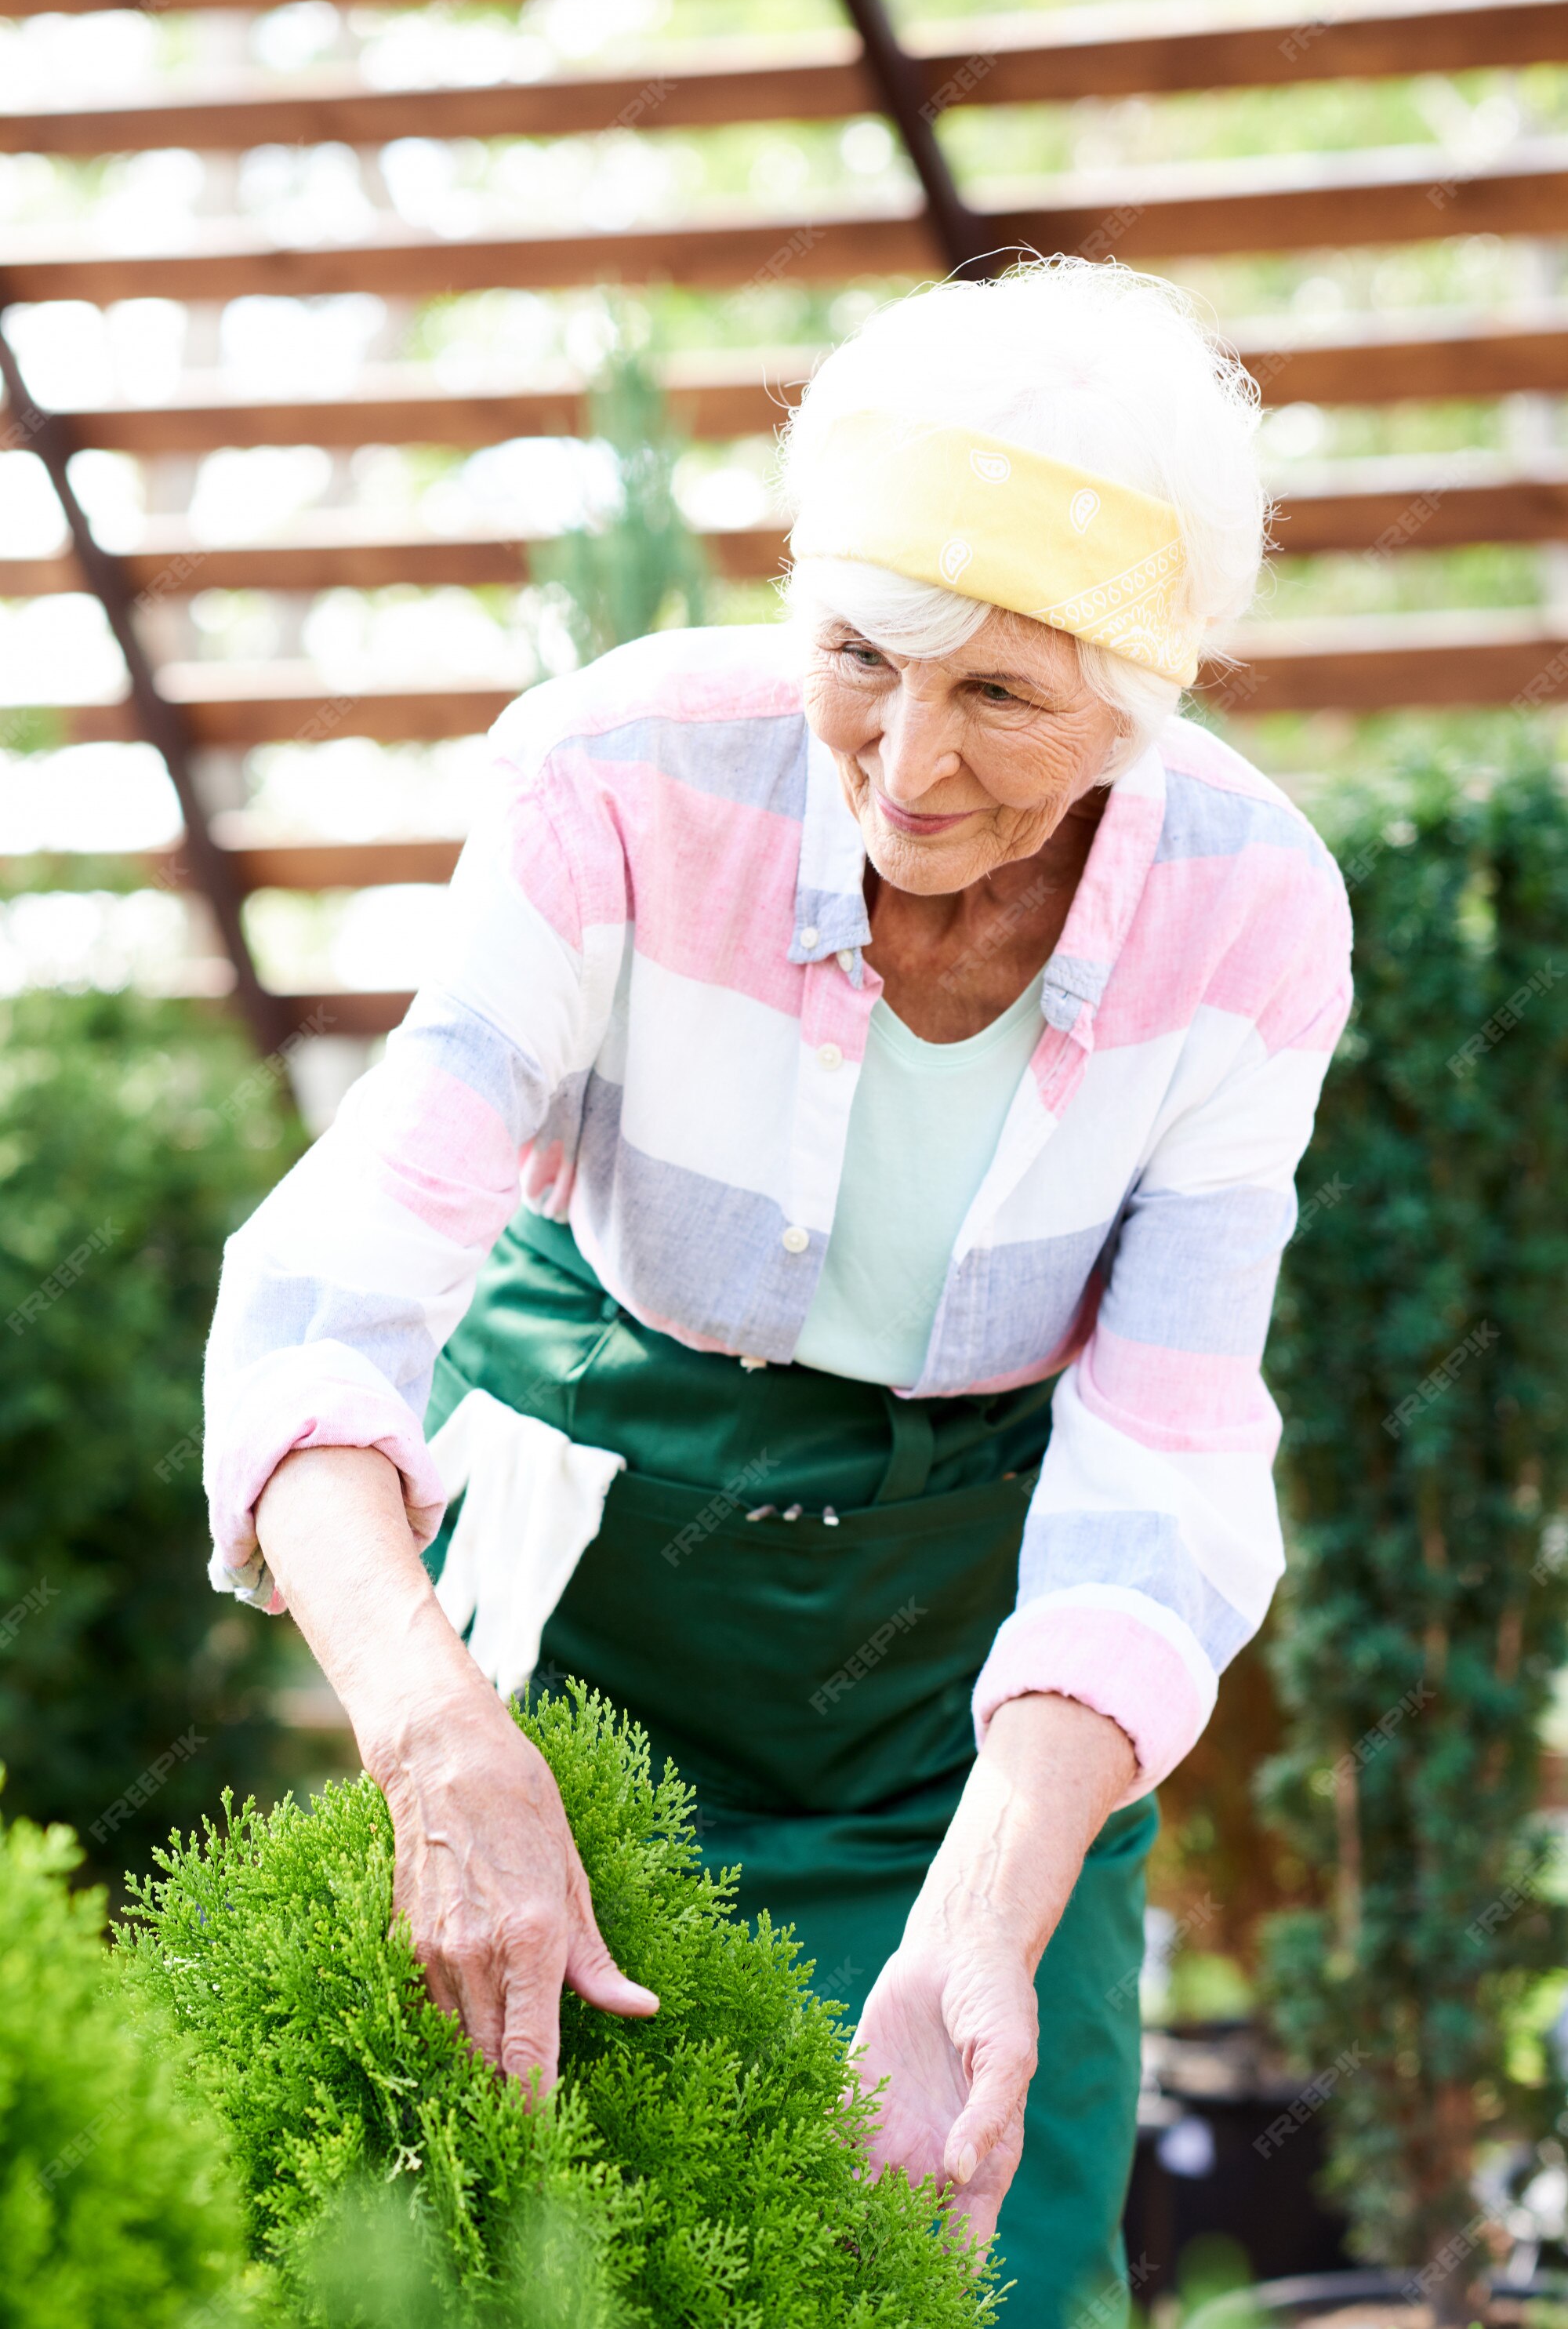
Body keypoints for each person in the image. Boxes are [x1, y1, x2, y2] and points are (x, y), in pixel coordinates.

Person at [204, 256, 1352, 2325]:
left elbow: (1165, 1448)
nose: (907, 762)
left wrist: (986, 1911)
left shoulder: (1246, 914)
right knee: (542, 2268)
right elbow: (326, 1293)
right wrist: (437, 1735)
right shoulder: (621, 779)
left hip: (973, 1688)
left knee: (985, 2267)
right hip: (587, 1625)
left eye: (1001, 693)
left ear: (1144, 696)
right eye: (860, 653)